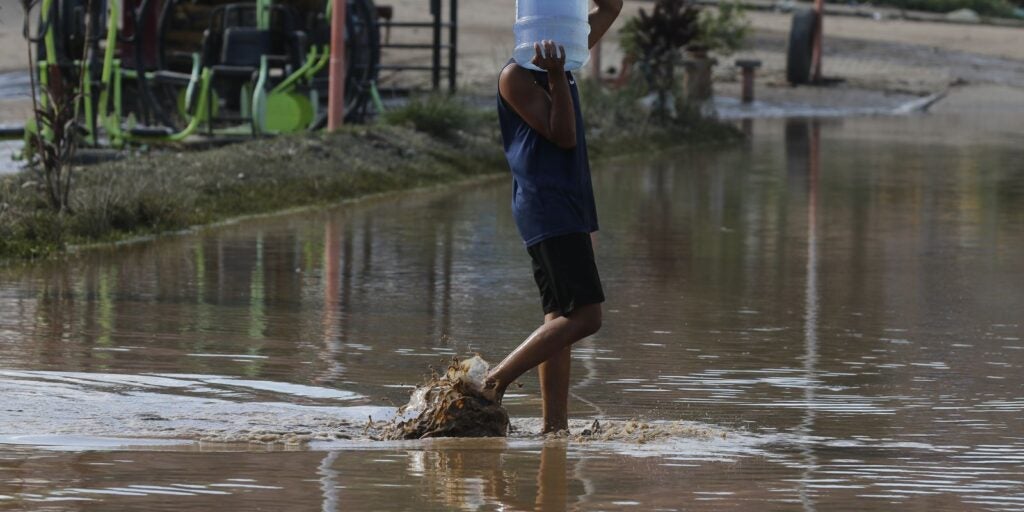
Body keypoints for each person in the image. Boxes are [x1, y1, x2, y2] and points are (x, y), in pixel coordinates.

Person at [481, 0, 623, 434]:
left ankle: (554, 427)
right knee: (586, 317)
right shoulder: (517, 77)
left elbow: (612, 7)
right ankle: (494, 381)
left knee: (559, 316)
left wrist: (564, 63)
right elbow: (562, 136)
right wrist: (559, 76)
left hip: (566, 204)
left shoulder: (568, 55)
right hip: (548, 207)